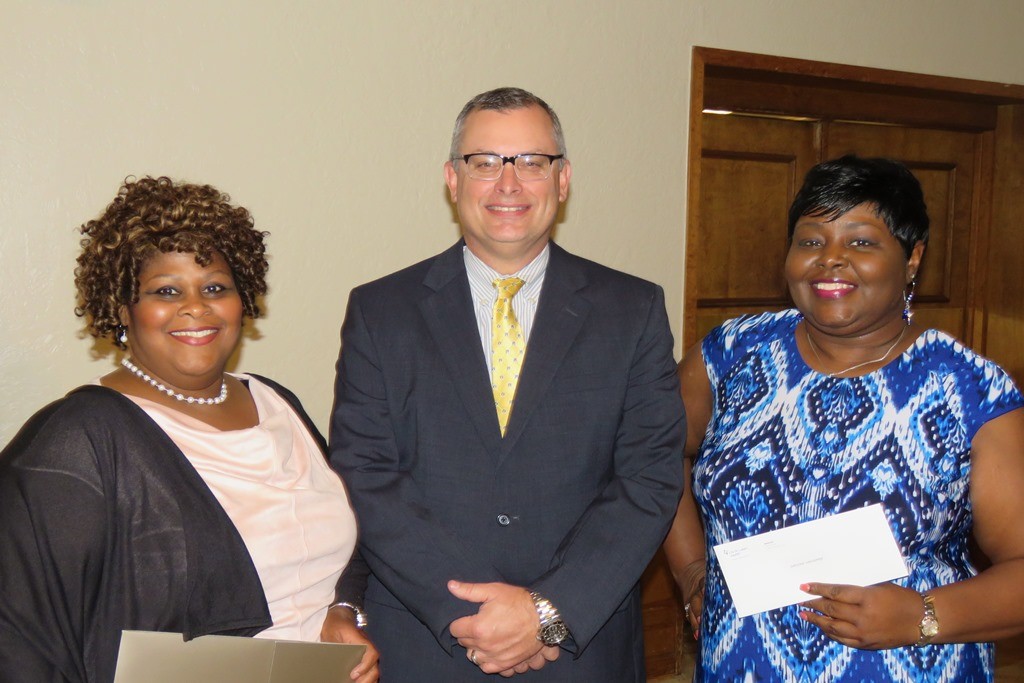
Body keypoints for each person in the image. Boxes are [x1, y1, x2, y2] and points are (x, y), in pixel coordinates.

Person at [330, 87, 685, 681]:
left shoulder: (633, 309)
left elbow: (649, 477)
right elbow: (366, 473)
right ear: (452, 178)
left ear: (563, 178)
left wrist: (547, 612)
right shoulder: (379, 311)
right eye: (485, 162)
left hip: (579, 644)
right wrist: (467, 616)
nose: (508, 183)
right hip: (430, 642)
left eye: (531, 162)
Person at [0, 177, 378, 683]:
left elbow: (346, 541)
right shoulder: (78, 440)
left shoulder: (276, 402)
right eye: (166, 291)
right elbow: (24, 638)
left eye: (215, 287)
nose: (196, 307)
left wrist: (344, 611)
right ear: (121, 309)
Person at [663, 155, 1024, 681]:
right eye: (810, 241)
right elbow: (655, 453)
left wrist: (922, 616)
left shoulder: (970, 390)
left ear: (913, 257)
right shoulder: (731, 356)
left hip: (906, 664)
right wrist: (692, 568)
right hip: (740, 663)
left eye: (861, 242)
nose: (830, 260)